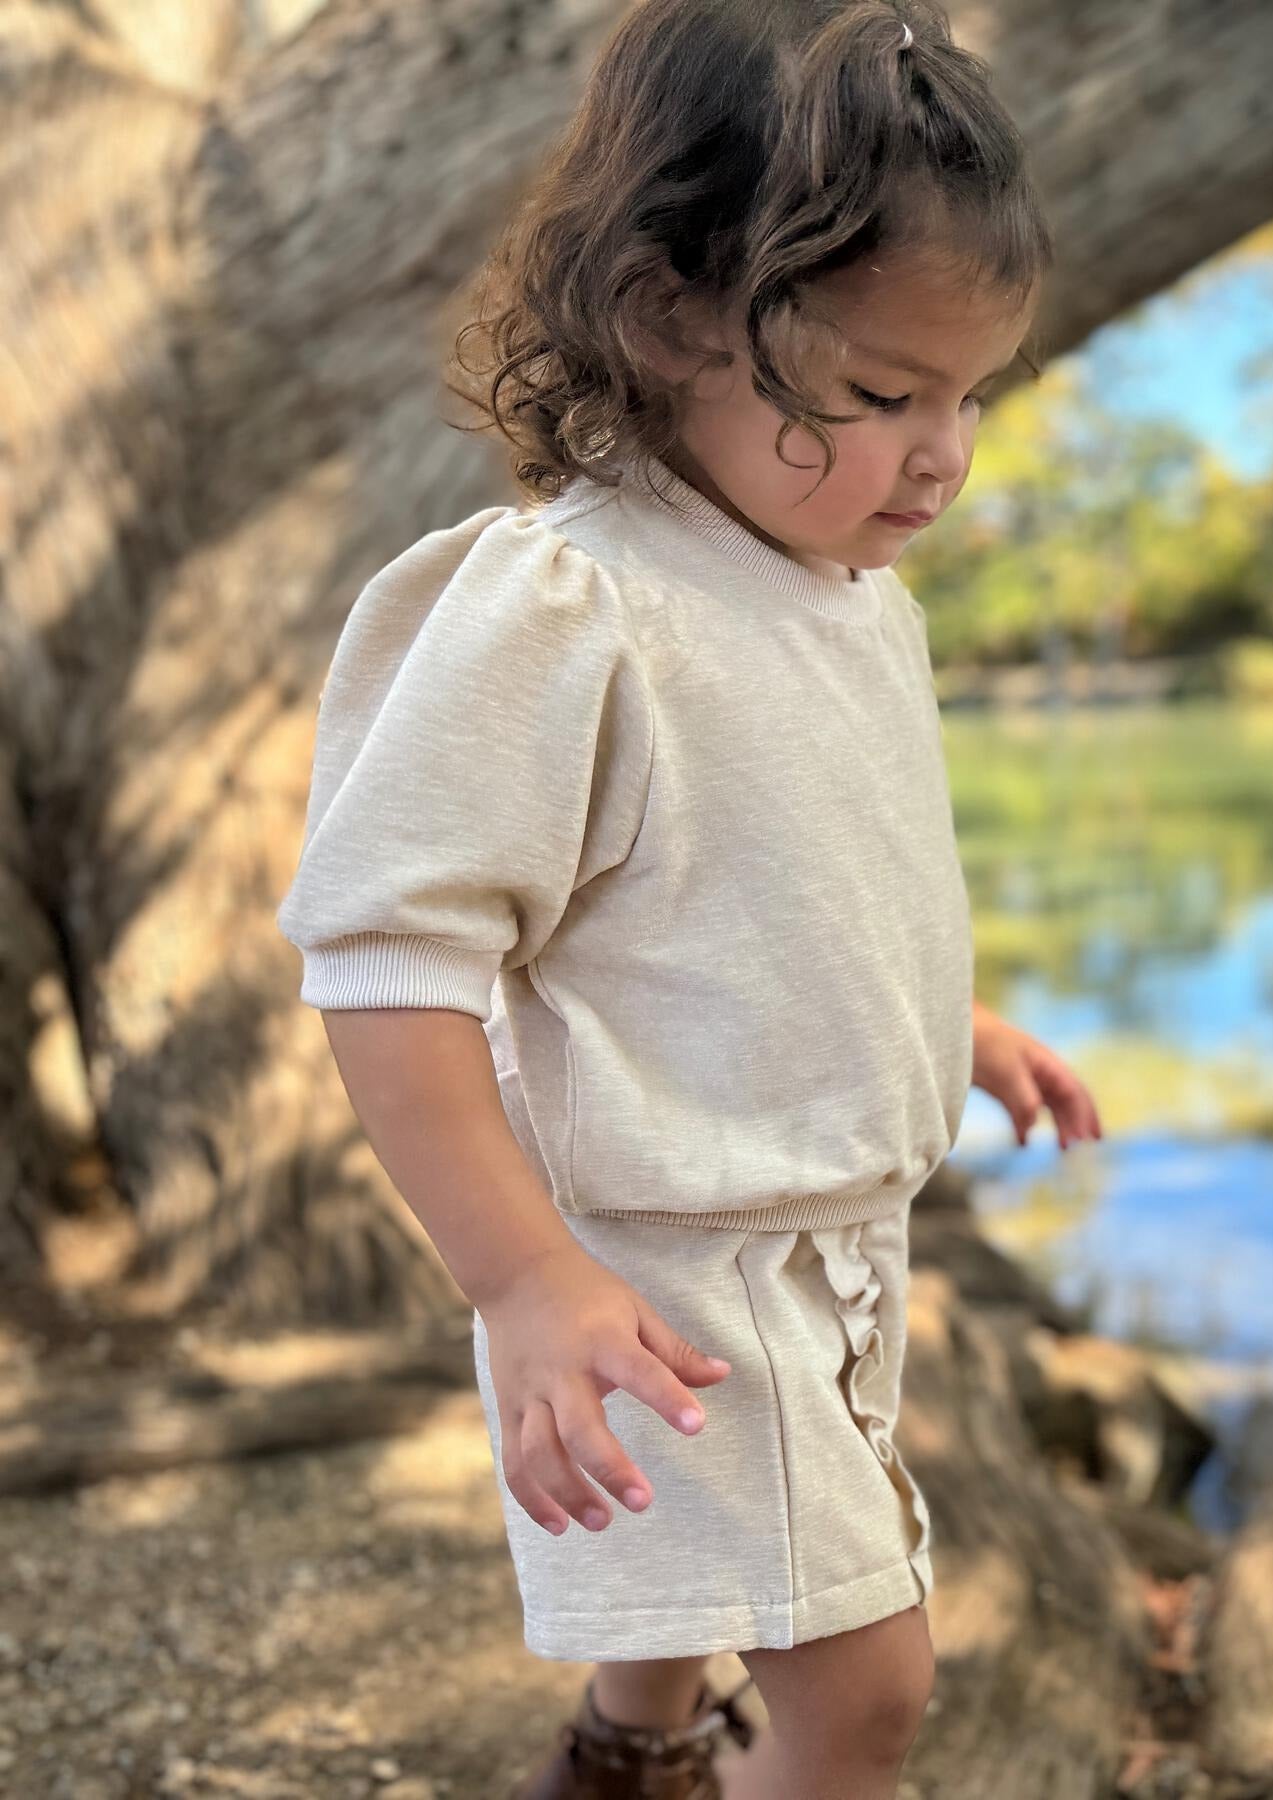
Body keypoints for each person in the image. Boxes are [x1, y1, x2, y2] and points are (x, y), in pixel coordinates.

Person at [273, 2, 1102, 1793]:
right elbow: (386, 954)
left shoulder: (841, 586)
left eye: (972, 396)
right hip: (664, 1247)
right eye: (882, 394)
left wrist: (938, 1025)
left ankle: (625, 1756)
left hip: (819, 1228)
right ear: (666, 317)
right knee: (864, 1675)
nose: (942, 457)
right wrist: (526, 1281)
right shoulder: (570, 603)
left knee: (694, 1563)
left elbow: (786, 880)